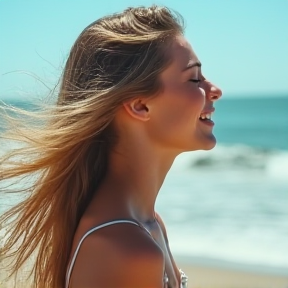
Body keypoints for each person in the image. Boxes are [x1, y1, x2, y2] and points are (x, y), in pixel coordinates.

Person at [0, 5, 222, 288]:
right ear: (140, 105)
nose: (215, 89)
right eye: (194, 78)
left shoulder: (149, 225)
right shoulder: (127, 249)